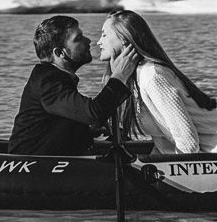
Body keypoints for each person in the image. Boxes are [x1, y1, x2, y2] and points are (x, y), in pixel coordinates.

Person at [98, 9, 217, 154]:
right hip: (204, 155)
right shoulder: (131, 79)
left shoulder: (152, 75)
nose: (99, 42)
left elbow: (187, 142)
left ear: (125, 40)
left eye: (104, 35)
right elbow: (163, 140)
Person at [8, 15, 139, 155]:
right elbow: (93, 113)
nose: (88, 41)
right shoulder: (48, 81)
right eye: (78, 39)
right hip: (31, 165)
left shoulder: (54, 76)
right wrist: (120, 76)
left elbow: (60, 121)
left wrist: (86, 130)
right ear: (59, 53)